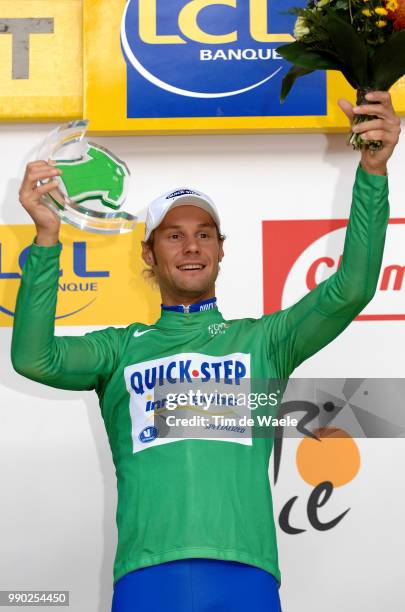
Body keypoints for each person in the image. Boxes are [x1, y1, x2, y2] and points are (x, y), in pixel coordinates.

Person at [11, 92, 400, 612]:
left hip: (246, 573)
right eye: (174, 235)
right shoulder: (120, 348)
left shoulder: (264, 341)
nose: (191, 246)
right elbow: (34, 358)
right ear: (149, 253)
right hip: (148, 574)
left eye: (203, 234)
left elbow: (350, 289)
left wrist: (373, 173)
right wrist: (45, 237)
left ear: (220, 249)